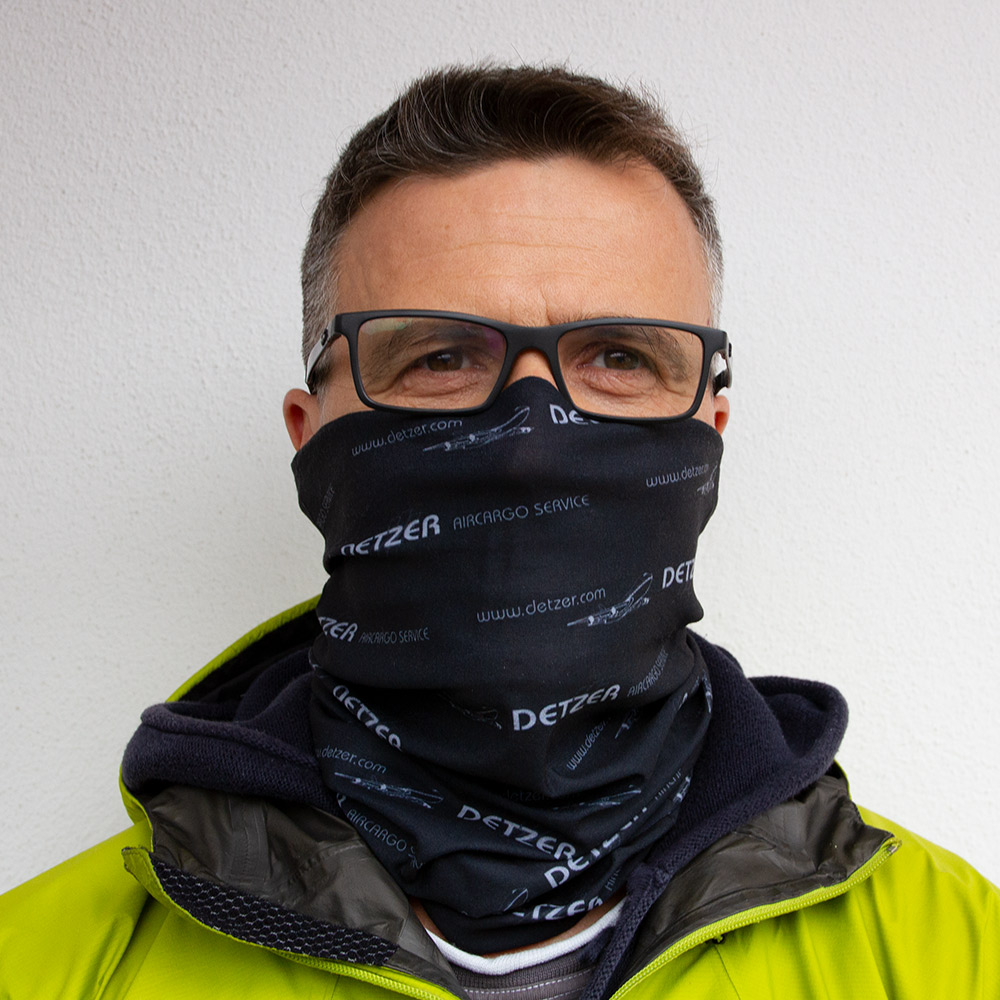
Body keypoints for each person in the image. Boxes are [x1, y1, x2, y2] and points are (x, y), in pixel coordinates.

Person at [0, 64, 996, 999]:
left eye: (619, 356)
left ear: (710, 433)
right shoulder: (42, 963)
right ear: (310, 438)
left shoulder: (955, 954)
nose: (530, 443)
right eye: (439, 357)